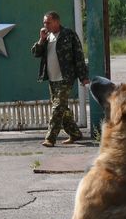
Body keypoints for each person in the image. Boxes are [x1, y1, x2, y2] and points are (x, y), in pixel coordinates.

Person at [31, 11, 90, 147]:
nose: (45, 25)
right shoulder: (47, 37)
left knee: (57, 107)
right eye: (44, 22)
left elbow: (79, 56)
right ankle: (75, 133)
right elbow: (35, 53)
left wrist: (83, 77)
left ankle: (50, 138)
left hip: (66, 77)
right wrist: (41, 39)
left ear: (57, 22)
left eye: (48, 22)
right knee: (62, 108)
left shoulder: (68, 35)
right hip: (52, 79)